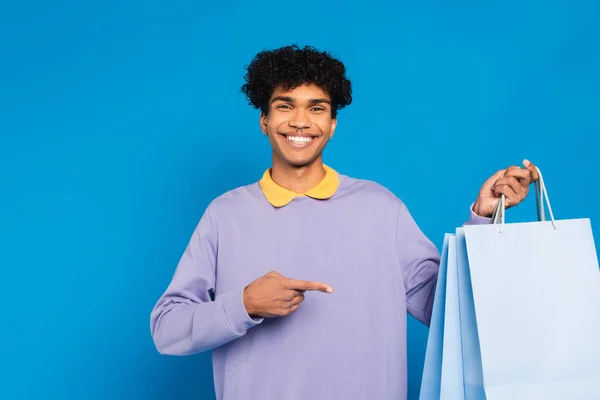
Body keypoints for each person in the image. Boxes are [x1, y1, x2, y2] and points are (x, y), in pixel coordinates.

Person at [150, 44, 538, 400]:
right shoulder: (225, 214)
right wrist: (245, 304)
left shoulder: (381, 208)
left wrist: (484, 218)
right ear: (264, 121)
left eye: (316, 108)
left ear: (333, 124)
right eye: (285, 106)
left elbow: (450, 310)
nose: (300, 121)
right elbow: (167, 329)